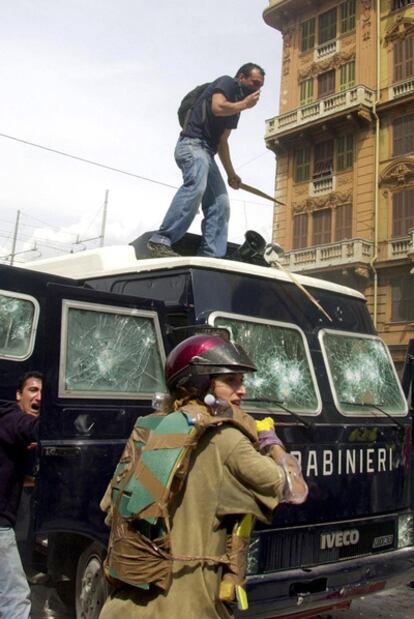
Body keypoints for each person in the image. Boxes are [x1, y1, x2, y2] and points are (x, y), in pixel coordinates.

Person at [99, 335, 307, 619]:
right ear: (202, 383)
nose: (242, 390)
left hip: (125, 605)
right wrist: (272, 445)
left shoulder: (150, 428)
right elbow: (295, 490)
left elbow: (112, 509)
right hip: (188, 607)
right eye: (231, 381)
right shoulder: (227, 439)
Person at [147, 63, 265, 259]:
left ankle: (211, 256)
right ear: (242, 77)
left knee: (221, 203)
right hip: (191, 145)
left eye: (260, 86)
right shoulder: (227, 82)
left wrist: (231, 174)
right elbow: (217, 107)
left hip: (208, 153)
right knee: (196, 186)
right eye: (255, 83)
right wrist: (244, 104)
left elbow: (222, 142)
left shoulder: (236, 108)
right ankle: (161, 240)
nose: (257, 89)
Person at [0, 371, 42, 619]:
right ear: (19, 395)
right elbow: (30, 426)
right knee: (16, 601)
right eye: (33, 390)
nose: (38, 397)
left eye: (43, 392)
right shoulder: (12, 419)